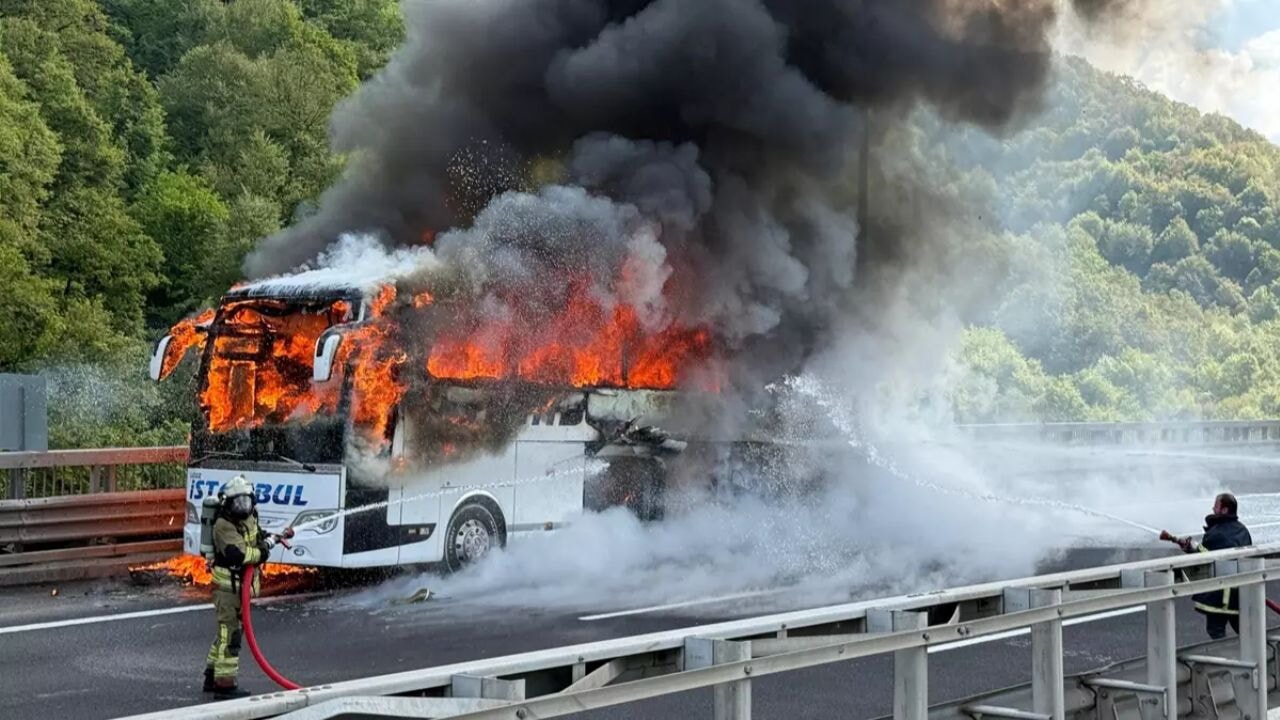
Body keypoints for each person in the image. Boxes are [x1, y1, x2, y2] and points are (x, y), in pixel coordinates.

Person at [203, 475, 280, 699]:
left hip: (240, 588)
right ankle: (224, 685)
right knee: (231, 636)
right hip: (227, 589)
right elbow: (239, 554)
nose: (243, 506)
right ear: (228, 502)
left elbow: (255, 536)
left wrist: (267, 538)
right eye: (238, 502)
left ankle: (211, 675)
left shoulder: (250, 516)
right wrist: (263, 551)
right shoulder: (223, 524)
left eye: (246, 501)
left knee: (225, 634)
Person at [1161, 493, 1252, 639]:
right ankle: (1259, 655)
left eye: (1216, 506)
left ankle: (1226, 660)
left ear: (1224, 510)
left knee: (1216, 632)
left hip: (1220, 594)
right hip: (1240, 593)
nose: (1213, 508)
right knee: (1246, 632)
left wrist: (1192, 548)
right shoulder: (1242, 530)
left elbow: (1206, 556)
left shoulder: (1216, 533)